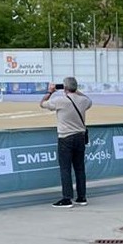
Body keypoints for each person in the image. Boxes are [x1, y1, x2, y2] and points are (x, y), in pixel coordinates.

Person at [40, 76, 91, 207]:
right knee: (80, 168)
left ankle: (67, 198)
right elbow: (89, 100)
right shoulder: (83, 100)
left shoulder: (60, 101)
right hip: (80, 137)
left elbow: (42, 103)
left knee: (65, 169)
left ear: (65, 88)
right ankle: (82, 196)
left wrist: (50, 92)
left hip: (66, 137)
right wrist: (76, 91)